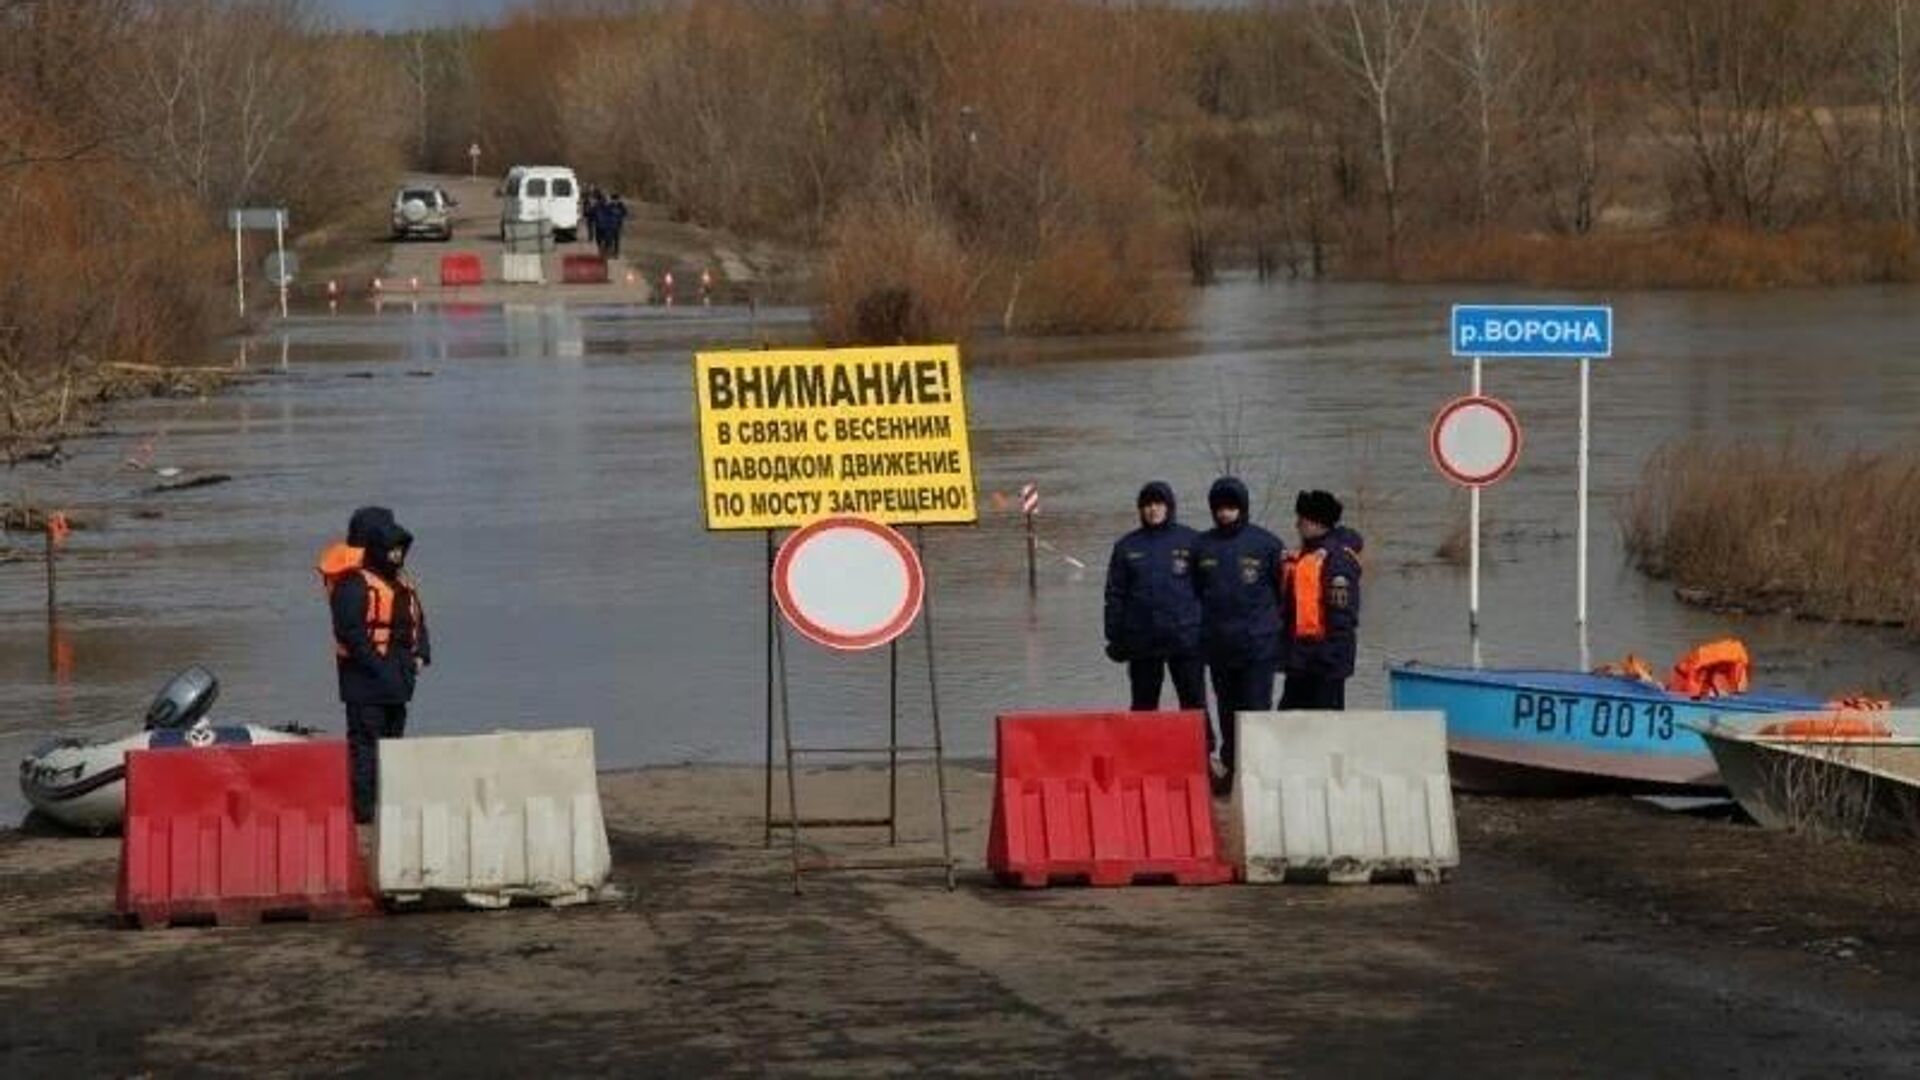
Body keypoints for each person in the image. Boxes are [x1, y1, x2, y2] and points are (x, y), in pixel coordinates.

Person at [317, 507, 430, 824]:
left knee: (393, 747)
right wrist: (376, 666)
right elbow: (349, 631)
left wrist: (421, 654)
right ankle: (364, 815)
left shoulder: (401, 582)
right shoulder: (353, 584)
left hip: (398, 681)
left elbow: (420, 623)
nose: (397, 553)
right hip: (365, 682)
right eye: (391, 546)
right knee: (366, 748)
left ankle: (388, 806)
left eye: (400, 548)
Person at [1190, 476, 1286, 794]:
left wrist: (1274, 637)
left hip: (1258, 646)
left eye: (1231, 508)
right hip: (1219, 648)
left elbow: (1281, 593)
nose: (1225, 514)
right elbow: (1193, 592)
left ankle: (1259, 777)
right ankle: (1231, 771)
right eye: (1220, 508)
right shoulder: (1201, 547)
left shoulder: (1267, 544)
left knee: (1256, 711)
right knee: (1227, 713)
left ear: (1242, 508)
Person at [1103, 481, 1205, 714]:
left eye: (1158, 503)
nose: (1153, 509)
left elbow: (1207, 589)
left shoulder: (1193, 541)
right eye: (1147, 505)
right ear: (1140, 509)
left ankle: (1202, 748)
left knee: (1193, 701)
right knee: (1144, 705)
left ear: (1169, 507)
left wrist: (1207, 630)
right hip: (1142, 641)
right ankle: (1140, 750)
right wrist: (1115, 636)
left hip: (1185, 637)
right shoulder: (1126, 546)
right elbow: (1115, 595)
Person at [1280, 490, 1363, 711]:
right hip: (1301, 659)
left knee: (1325, 728)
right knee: (1288, 723)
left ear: (1317, 523)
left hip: (1326, 662)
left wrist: (1329, 656)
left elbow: (1342, 615)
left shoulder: (1337, 561)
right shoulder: (1304, 556)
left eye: (1302, 520)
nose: (1297, 525)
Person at [602, 193, 629, 258]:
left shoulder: (621, 206)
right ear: (612, 200)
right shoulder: (609, 206)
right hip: (610, 226)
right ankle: (607, 252)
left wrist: (620, 215)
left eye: (616, 200)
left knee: (617, 240)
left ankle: (616, 254)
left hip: (618, 225)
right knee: (609, 240)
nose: (615, 201)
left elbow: (625, 213)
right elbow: (605, 214)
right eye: (614, 200)